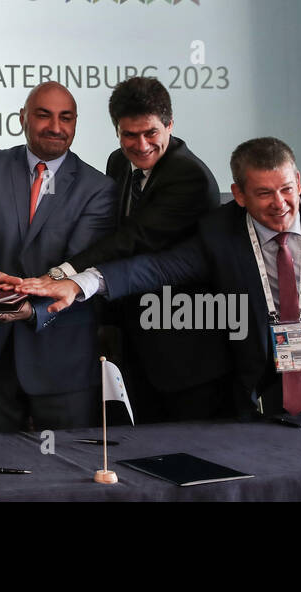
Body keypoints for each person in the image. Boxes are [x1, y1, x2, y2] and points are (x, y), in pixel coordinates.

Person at [21, 137, 301, 424]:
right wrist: (80, 283)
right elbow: (159, 268)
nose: (280, 204)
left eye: (287, 189)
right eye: (264, 194)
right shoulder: (221, 232)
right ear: (240, 194)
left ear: (299, 182)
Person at [0, 81, 117, 433]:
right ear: (23, 117)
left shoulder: (97, 188)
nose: (56, 126)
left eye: (66, 118)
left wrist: (30, 306)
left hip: (61, 358)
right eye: (44, 115)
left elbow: (78, 263)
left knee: (69, 473)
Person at [64, 76, 232, 422]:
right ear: (117, 131)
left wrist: (65, 272)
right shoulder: (118, 162)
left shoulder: (190, 177)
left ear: (170, 125)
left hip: (185, 348)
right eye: (129, 135)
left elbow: (133, 239)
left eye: (151, 133)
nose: (140, 145)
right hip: (134, 339)